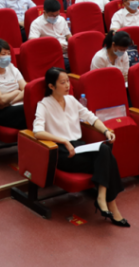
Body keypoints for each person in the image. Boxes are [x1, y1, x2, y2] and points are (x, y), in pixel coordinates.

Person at [34, 67, 128, 226]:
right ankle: (108, 203)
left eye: (68, 81)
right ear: (51, 86)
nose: (67, 85)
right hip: (62, 151)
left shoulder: (71, 100)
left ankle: (103, 198)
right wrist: (63, 141)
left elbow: (90, 117)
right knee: (107, 158)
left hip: (79, 147)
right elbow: (37, 132)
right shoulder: (44, 105)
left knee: (105, 149)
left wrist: (106, 130)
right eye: (62, 82)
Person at [28, 0, 70, 66]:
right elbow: (32, 43)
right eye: (52, 15)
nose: (55, 17)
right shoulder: (36, 23)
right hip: (50, 54)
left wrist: (72, 45)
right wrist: (54, 45)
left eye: (57, 14)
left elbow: (68, 35)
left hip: (65, 51)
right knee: (69, 64)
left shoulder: (61, 19)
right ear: (44, 12)